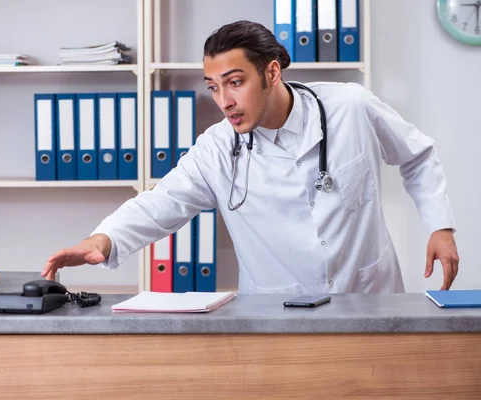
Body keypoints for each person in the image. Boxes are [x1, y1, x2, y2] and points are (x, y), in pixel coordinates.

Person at [42, 20, 459, 293]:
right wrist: (103, 239)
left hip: (370, 302)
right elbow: (162, 202)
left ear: (272, 72)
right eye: (213, 86)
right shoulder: (217, 147)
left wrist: (441, 226)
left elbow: (417, 155)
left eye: (235, 82)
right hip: (275, 318)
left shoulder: (349, 107)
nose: (224, 100)